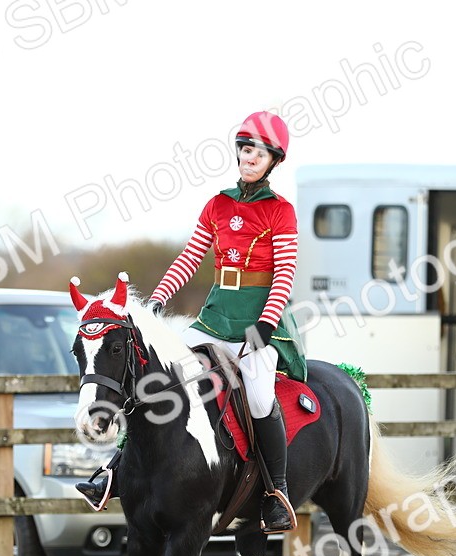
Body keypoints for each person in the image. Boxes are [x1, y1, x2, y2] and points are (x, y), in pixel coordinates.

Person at [77, 110, 305, 533]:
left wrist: (267, 327)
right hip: (216, 318)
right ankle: (112, 472)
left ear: (274, 160)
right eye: (245, 148)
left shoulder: (281, 212)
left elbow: (285, 274)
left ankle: (277, 493)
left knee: (257, 395)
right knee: (160, 380)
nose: (250, 156)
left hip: (259, 321)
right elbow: (190, 257)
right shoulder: (216, 205)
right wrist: (160, 297)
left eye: (260, 151)